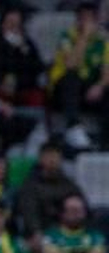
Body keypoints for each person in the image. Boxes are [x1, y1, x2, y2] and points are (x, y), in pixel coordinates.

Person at [48, 0, 109, 149]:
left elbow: (107, 71)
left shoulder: (102, 41)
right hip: (62, 91)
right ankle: (73, 127)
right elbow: (71, 64)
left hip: (89, 90)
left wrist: (99, 87)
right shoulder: (67, 37)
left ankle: (104, 142)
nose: (85, 22)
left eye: (90, 18)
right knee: (71, 77)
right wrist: (84, 38)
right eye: (82, 18)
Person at [16, 141, 86, 248]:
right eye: (48, 156)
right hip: (42, 232)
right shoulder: (30, 186)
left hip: (68, 231)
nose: (52, 160)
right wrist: (36, 231)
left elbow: (83, 206)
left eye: (56, 156)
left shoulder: (69, 184)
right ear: (40, 159)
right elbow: (29, 213)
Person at [40, 194, 106, 253]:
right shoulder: (50, 235)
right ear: (62, 213)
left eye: (80, 211)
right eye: (73, 211)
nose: (77, 215)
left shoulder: (95, 235)